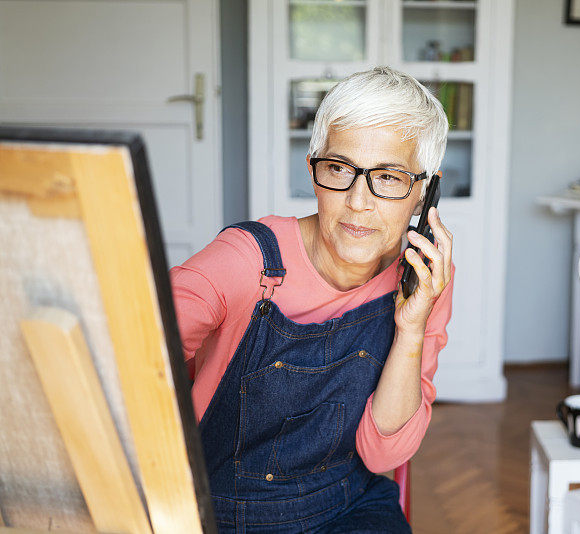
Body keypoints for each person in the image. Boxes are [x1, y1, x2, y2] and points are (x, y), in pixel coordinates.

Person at [169, 65, 455, 533]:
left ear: (424, 190)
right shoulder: (246, 262)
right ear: (313, 171)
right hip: (220, 511)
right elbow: (132, 363)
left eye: (388, 177)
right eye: (339, 169)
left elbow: (383, 453)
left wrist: (411, 327)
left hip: (349, 503)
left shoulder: (423, 280)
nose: (358, 201)